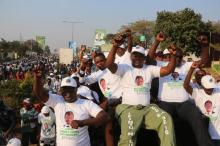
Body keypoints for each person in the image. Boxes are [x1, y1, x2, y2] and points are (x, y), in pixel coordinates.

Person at [106, 35, 177, 146]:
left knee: (166, 118)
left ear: (144, 58)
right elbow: (109, 64)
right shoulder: (125, 68)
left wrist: (173, 54)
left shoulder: (149, 69)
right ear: (131, 57)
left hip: (148, 109)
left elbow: (169, 69)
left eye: (140, 56)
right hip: (128, 108)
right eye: (135, 56)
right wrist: (115, 45)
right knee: (128, 135)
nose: (137, 58)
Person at [148, 33, 213, 146]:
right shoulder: (162, 65)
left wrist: (204, 46)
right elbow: (149, 58)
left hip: (184, 104)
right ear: (169, 56)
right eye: (175, 56)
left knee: (197, 116)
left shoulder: (186, 66)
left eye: (180, 56)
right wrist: (157, 42)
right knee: (164, 120)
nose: (177, 58)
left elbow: (204, 60)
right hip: (165, 103)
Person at [33, 68, 110, 146]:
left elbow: (105, 117)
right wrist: (37, 78)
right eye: (65, 91)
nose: (68, 94)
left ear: (76, 90)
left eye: (71, 90)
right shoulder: (57, 101)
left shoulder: (86, 103)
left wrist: (82, 123)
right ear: (61, 90)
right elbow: (40, 94)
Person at [184, 64, 220, 146]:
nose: (210, 89)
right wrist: (191, 69)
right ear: (203, 85)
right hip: (206, 136)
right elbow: (186, 85)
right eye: (208, 88)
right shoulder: (197, 93)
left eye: (212, 87)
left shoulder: (218, 90)